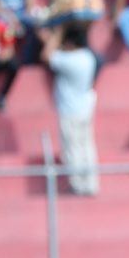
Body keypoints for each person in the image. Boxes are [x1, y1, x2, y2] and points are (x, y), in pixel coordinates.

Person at [42, 23, 98, 196]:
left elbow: (46, 56)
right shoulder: (88, 57)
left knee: (72, 148)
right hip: (86, 107)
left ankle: (77, 185)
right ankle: (91, 184)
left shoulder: (70, 60)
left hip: (70, 109)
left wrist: (57, 34)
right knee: (87, 147)